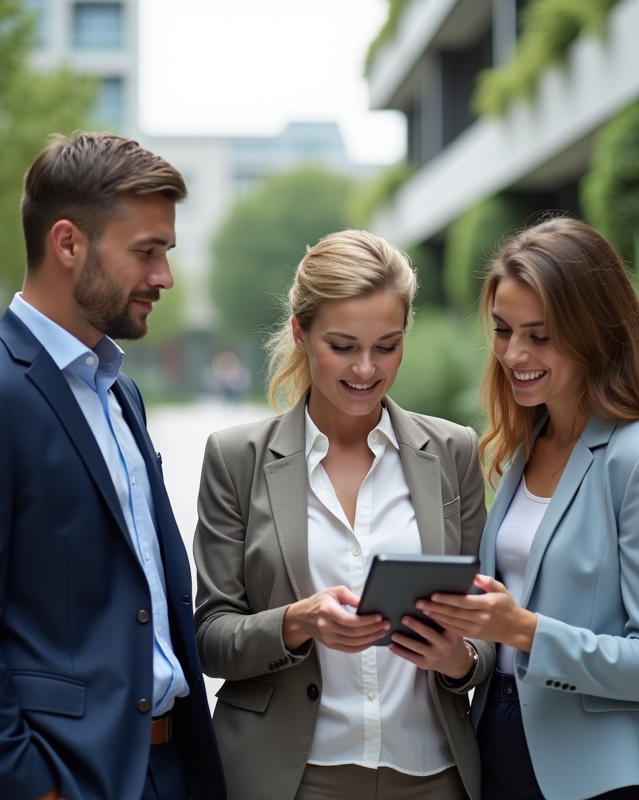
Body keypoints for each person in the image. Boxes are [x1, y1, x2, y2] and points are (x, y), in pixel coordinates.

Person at [0, 132, 226, 800]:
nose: (164, 277)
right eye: (147, 252)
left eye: (166, 253)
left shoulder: (120, 390)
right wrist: (30, 789)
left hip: (167, 769)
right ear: (68, 243)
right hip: (65, 778)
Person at [418, 218, 639, 800]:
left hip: (595, 773)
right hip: (495, 738)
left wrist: (522, 628)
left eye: (539, 336)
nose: (514, 354)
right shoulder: (526, 446)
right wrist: (457, 650)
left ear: (595, 333)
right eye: (503, 330)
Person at [192, 230, 494, 800]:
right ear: (300, 334)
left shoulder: (453, 451)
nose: (366, 368)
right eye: (343, 345)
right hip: (290, 779)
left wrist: (458, 659)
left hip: (432, 774)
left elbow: (486, 625)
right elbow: (210, 637)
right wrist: (297, 622)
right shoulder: (236, 458)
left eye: (387, 346)